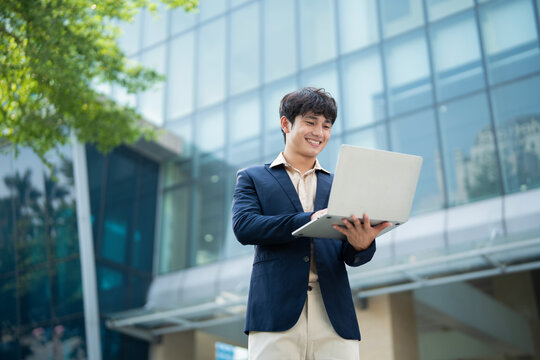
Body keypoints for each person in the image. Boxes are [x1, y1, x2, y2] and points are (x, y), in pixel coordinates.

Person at [232, 87, 391, 359]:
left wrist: (362, 245)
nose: (319, 132)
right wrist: (308, 220)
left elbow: (351, 256)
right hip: (274, 313)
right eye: (310, 122)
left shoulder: (341, 185)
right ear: (286, 124)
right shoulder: (252, 177)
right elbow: (244, 226)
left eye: (326, 126)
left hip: (334, 316)